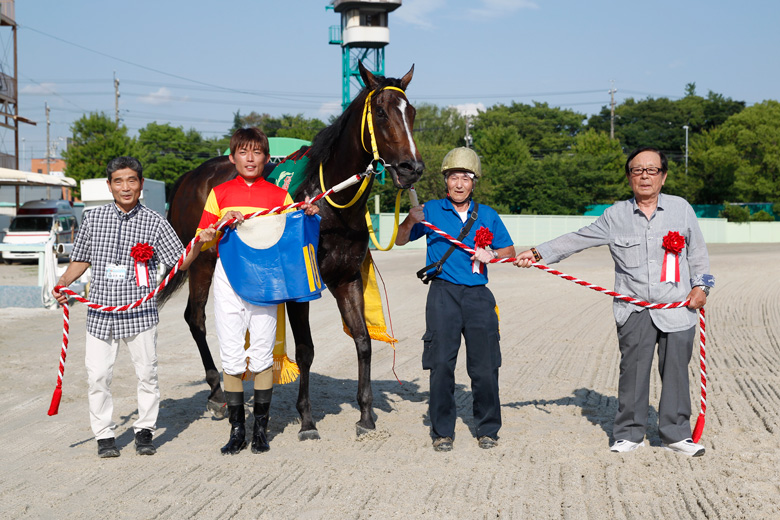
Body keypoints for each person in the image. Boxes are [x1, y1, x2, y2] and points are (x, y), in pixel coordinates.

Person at [514, 146, 714, 457]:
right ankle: (629, 433)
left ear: (663, 176)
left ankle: (676, 434)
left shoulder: (682, 209)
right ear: (629, 176)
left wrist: (702, 288)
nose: (644, 176)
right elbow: (578, 238)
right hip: (633, 308)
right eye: (637, 170)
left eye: (651, 170)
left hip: (677, 307)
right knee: (632, 371)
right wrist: (538, 252)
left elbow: (698, 253)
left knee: (676, 371)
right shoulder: (615, 215)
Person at [53, 156, 214, 458]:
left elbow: (180, 263)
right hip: (101, 313)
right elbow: (81, 258)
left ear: (140, 184)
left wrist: (198, 243)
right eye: (118, 181)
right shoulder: (93, 218)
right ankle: (104, 435)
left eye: (131, 180)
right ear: (109, 185)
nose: (125, 187)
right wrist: (63, 282)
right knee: (98, 376)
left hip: (140, 313)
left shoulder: (156, 222)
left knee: (147, 374)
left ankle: (145, 430)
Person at [196, 127, 319, 455]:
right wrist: (219, 224)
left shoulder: (280, 196)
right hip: (229, 279)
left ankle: (260, 430)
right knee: (232, 355)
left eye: (257, 152)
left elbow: (291, 237)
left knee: (263, 353)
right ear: (232, 157)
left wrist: (307, 215)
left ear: (266, 158)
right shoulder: (219, 193)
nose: (250, 159)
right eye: (243, 152)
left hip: (266, 280)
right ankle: (237, 430)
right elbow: (203, 239)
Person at [396, 147, 515, 452]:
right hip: (443, 294)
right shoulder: (430, 210)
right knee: (441, 365)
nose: (459, 184)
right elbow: (399, 239)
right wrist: (410, 220)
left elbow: (509, 251)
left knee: (485, 366)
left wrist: (492, 253)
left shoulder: (487, 214)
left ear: (474, 182)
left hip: (478, 296)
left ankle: (488, 429)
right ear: (445, 180)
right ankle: (442, 432)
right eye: (453, 177)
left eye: (465, 177)